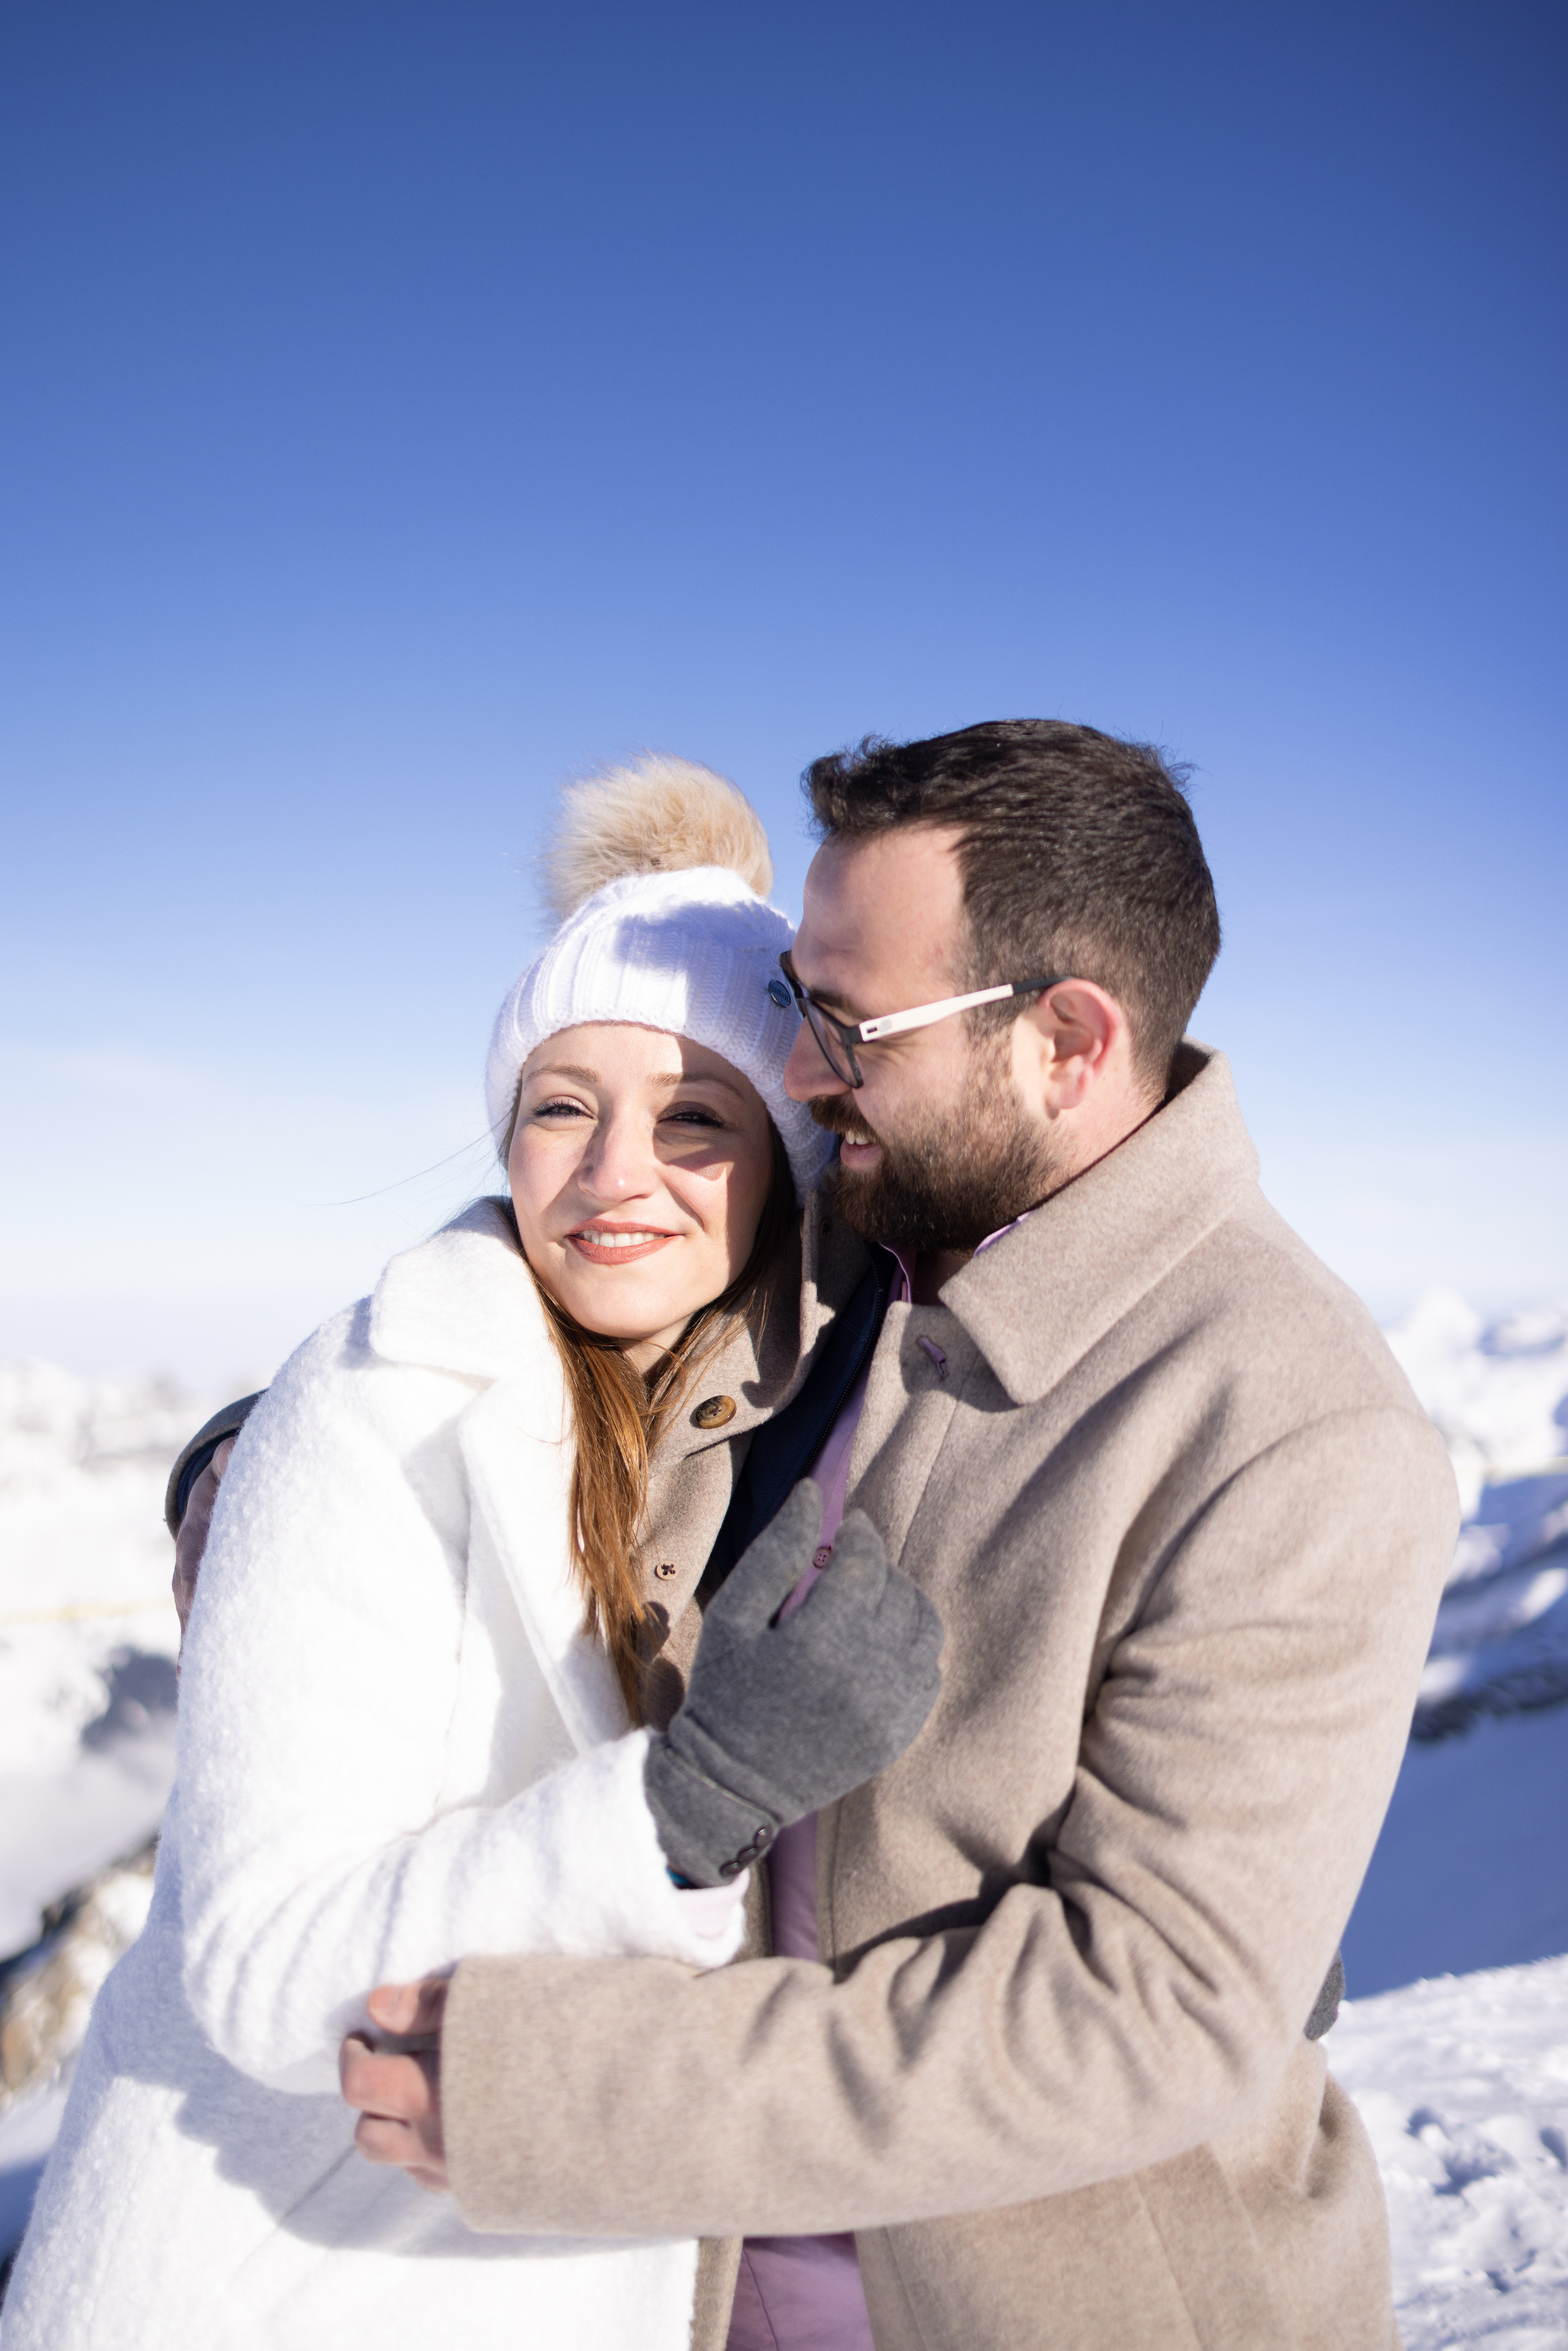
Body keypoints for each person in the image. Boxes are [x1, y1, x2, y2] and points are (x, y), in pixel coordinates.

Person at [339, 720, 1460, 2351]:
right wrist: (310, 1426)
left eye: (849, 1025)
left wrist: (566, 2096)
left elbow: (1145, 2015)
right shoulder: (870, 1228)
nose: (800, 1071)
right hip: (693, 2283)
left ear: (1067, 1043)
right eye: (798, 1004)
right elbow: (593, 1210)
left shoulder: (1293, 1430)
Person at [2, 756, 943, 2351]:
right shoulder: (369, 1417)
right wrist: (681, 1810)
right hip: (281, 2278)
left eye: (694, 1119)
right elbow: (264, 1968)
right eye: (559, 1108)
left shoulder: (820, 1378)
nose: (613, 1172)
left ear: (787, 1165)